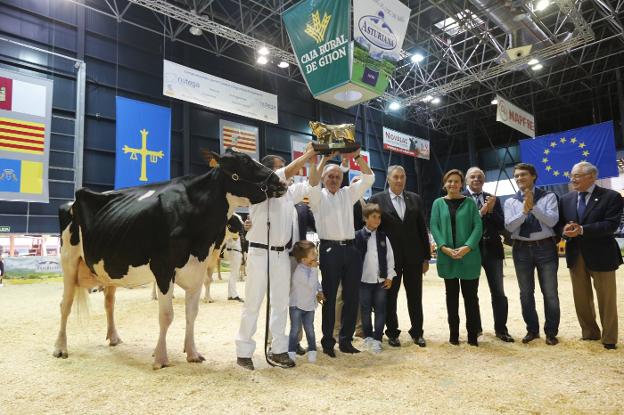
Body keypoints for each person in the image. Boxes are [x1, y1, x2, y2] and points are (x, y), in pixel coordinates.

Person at [235, 144, 318, 370]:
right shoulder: (260, 187)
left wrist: (315, 161)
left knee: (280, 303)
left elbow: (311, 183)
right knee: (253, 302)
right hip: (259, 252)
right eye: (280, 169)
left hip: (282, 254)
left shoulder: (289, 193)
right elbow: (287, 173)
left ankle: (279, 349)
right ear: (267, 171)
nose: (286, 174)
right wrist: (309, 152)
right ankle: (244, 351)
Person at [308, 150, 374, 357]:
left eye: (337, 176)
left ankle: (345, 340)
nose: (334, 179)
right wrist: (324, 160)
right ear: (324, 179)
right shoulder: (316, 196)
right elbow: (312, 181)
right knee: (329, 297)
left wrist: (357, 157)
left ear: (342, 178)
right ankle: (328, 342)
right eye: (330, 176)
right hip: (329, 250)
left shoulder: (348, 193)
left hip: (351, 249)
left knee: (352, 296)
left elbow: (370, 177)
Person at [558, 161, 621, 350]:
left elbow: (611, 225)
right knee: (581, 298)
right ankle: (589, 332)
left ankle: (609, 338)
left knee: (606, 299)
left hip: (602, 254)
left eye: (576, 175)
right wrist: (565, 230)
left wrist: (582, 230)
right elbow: (560, 225)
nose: (572, 179)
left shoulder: (611, 196)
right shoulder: (566, 199)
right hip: (576, 255)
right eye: (572, 175)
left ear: (591, 177)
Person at [369, 165, 430, 347]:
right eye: (395, 177)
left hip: (414, 258)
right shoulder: (377, 199)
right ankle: (392, 333)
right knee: (390, 297)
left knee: (415, 297)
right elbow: (373, 230)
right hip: (389, 260)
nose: (399, 180)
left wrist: (426, 257)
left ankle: (417, 332)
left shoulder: (415, 199)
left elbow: (422, 229)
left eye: (402, 177)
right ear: (388, 179)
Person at [504, 163, 560, 346]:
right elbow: (510, 226)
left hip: (545, 247)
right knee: (526, 293)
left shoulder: (549, 196)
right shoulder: (511, 201)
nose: (520, 178)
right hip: (521, 249)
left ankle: (551, 332)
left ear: (534, 176)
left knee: (550, 292)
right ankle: (532, 330)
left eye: (523, 175)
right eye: (517, 176)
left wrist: (533, 206)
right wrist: (524, 210)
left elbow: (552, 221)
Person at [430, 169, 483, 346]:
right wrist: (443, 247)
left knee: (471, 298)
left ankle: (472, 336)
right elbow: (434, 226)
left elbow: (477, 226)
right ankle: (454, 335)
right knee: (451, 298)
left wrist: (467, 247)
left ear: (462, 184)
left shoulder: (469, 203)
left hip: (469, 257)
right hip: (447, 257)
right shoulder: (437, 203)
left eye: (456, 181)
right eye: (449, 181)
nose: (453, 184)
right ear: (445, 184)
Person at [463, 167, 514, 342]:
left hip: (492, 249)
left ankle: (501, 329)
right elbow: (463, 225)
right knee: (471, 292)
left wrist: (491, 210)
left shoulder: (493, 199)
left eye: (479, 177)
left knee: (498, 292)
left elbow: (501, 225)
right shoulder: (460, 198)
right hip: (470, 250)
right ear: (466, 180)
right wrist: (482, 212)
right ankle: (475, 328)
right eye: (472, 177)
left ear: (483, 181)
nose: (476, 179)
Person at [355, 203, 395, 353]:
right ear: (365, 218)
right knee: (364, 309)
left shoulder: (384, 237)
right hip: (363, 281)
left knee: (380, 309)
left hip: (380, 281)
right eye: (374, 217)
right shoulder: (357, 236)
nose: (377, 220)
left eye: (379, 217)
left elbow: (390, 258)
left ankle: (377, 338)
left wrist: (389, 277)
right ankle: (368, 337)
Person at [287, 240, 324, 362]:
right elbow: (310, 284)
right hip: (297, 306)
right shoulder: (299, 272)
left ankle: (312, 351)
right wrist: (314, 270)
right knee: (295, 330)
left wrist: (320, 291)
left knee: (310, 330)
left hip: (309, 306)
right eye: (313, 253)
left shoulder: (310, 268)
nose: (316, 254)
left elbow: (316, 284)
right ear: (303, 260)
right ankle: (291, 352)